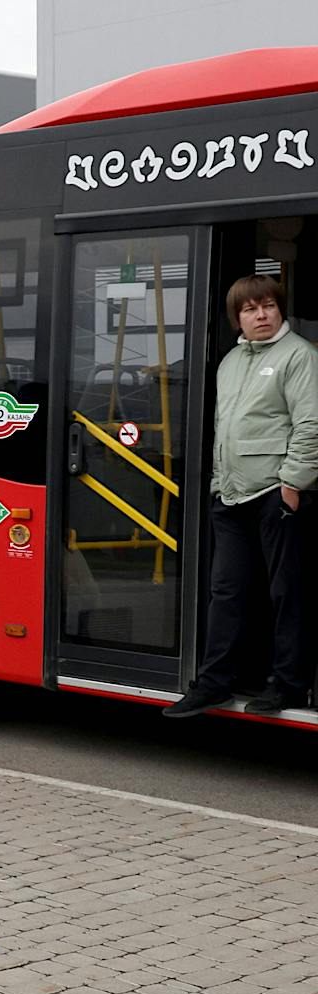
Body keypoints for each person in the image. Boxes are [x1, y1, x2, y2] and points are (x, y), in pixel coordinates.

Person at [166, 275, 318, 718]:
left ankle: (288, 686)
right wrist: (219, 481)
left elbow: (311, 425)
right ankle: (214, 683)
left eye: (268, 305)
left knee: (286, 593)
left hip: (276, 494)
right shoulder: (231, 361)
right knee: (227, 592)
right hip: (231, 496)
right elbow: (224, 428)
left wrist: (292, 485)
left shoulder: (300, 356)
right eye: (250, 309)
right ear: (238, 318)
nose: (261, 315)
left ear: (280, 309)